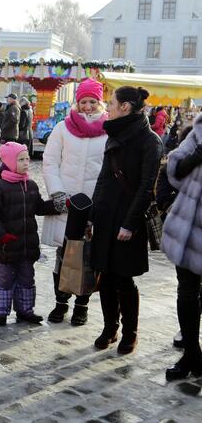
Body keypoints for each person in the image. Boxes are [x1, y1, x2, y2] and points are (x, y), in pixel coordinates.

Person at [90, 86, 162, 354]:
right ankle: (110, 328)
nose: (107, 106)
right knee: (105, 276)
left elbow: (147, 188)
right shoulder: (114, 133)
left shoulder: (149, 140)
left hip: (127, 219)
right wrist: (92, 214)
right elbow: (103, 178)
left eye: (111, 103)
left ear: (126, 107)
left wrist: (129, 224)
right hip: (106, 216)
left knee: (124, 279)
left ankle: (130, 333)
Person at [42, 78, 108, 326]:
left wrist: (100, 201)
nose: (88, 106)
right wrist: (57, 193)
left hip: (94, 205)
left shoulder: (109, 130)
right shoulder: (63, 128)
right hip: (67, 204)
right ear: (77, 102)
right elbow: (50, 162)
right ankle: (61, 302)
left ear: (100, 102)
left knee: (89, 257)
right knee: (64, 254)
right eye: (84, 101)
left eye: (93, 101)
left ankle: (82, 305)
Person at [0, 142, 64, 326]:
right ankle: (0, 312)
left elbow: (38, 207)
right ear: (9, 162)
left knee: (26, 279)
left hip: (27, 246)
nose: (26, 162)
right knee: (3, 279)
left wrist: (58, 206)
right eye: (21, 159)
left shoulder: (31, 185)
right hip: (5, 247)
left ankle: (25, 311)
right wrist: (2, 236)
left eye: (27, 158)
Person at [161, 116, 202, 380]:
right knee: (186, 293)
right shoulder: (200, 130)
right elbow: (174, 169)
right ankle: (191, 355)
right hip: (188, 230)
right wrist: (197, 155)